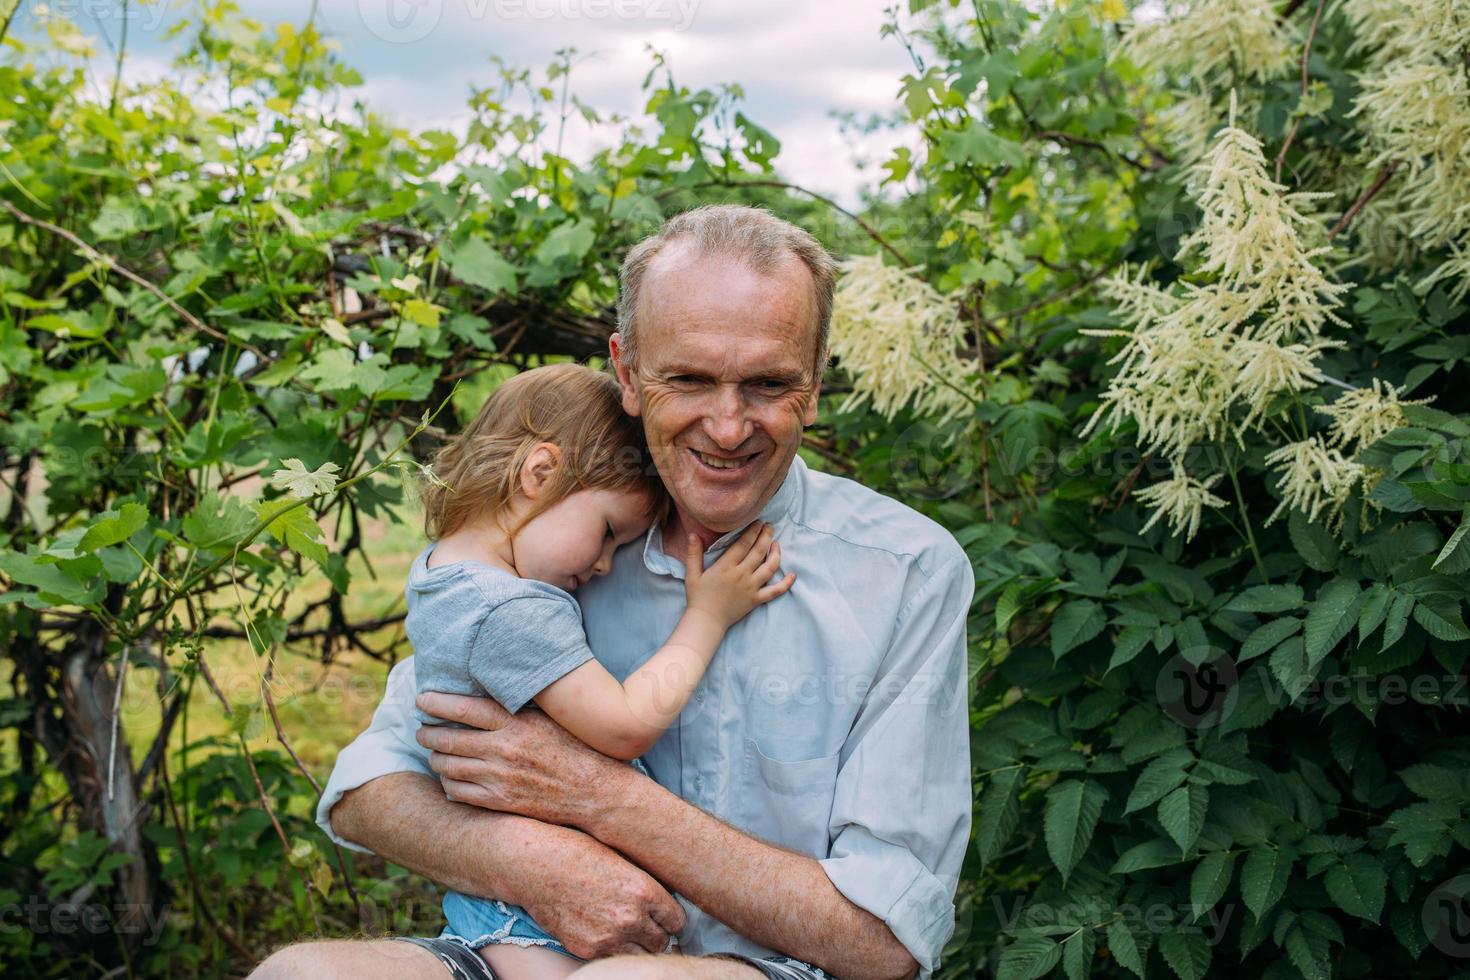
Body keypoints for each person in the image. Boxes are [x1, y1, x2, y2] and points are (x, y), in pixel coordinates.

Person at [254, 205, 973, 980]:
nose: (728, 428)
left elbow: (887, 943)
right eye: (689, 379)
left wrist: (600, 797)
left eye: (768, 384)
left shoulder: (906, 572)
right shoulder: (557, 551)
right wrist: (531, 860)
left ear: (817, 382)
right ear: (627, 372)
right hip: (530, 948)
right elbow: (368, 790)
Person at [405, 362, 795, 978]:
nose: (607, 564)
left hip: (511, 899)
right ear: (539, 473)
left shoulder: (441, 572)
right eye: (608, 532)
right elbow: (625, 725)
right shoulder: (507, 610)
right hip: (538, 921)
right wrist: (709, 616)